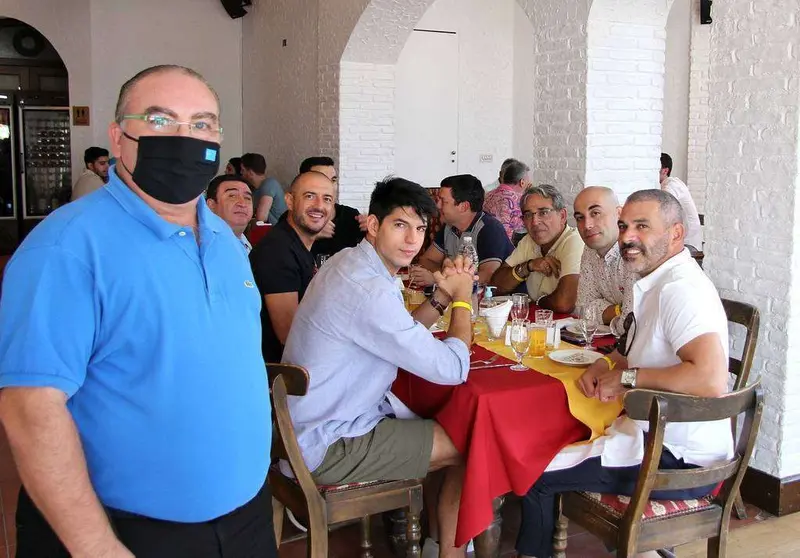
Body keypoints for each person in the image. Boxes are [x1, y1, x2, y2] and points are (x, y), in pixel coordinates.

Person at [0, 65, 276, 558]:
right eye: (160, 119)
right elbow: (30, 409)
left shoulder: (224, 240)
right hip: (124, 531)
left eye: (201, 124)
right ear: (118, 138)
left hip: (245, 518)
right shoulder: (66, 247)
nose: (184, 138)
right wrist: (96, 546)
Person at [515, 189, 732, 558]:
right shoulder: (654, 279)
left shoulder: (681, 289)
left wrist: (629, 379)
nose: (628, 236)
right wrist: (607, 363)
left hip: (677, 456)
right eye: (625, 225)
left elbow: (709, 379)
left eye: (643, 226)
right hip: (650, 434)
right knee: (546, 442)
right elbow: (631, 346)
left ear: (676, 233)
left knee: (531, 471)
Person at [282, 177, 476, 558]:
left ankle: (435, 539)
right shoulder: (368, 288)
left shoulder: (349, 262)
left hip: (304, 423)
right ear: (374, 225)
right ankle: (448, 551)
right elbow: (455, 368)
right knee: (472, 441)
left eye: (420, 228)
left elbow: (400, 334)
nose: (412, 240)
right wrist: (463, 299)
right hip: (328, 441)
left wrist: (441, 295)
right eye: (400, 225)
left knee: (446, 423)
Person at [250, 171, 335, 363]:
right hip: (279, 376)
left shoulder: (295, 243)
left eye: (327, 199)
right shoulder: (277, 252)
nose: (319, 206)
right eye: (309, 196)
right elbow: (289, 335)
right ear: (289, 201)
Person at [491, 184, 584, 313]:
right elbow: (496, 286)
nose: (534, 222)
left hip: (576, 328)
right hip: (541, 323)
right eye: (528, 215)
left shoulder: (574, 241)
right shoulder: (529, 241)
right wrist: (528, 266)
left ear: (562, 216)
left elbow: (564, 303)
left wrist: (538, 302)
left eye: (543, 213)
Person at [412, 174, 513, 287]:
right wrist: (442, 275)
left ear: (463, 207)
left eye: (443, 201)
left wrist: (439, 279)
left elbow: (488, 276)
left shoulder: (489, 228)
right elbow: (426, 260)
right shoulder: (449, 226)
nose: (438, 205)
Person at [573, 186, 636, 336]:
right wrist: (618, 310)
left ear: (619, 214)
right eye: (580, 218)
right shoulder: (590, 249)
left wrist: (616, 314)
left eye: (595, 213)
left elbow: (630, 324)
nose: (587, 225)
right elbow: (583, 308)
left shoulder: (635, 252)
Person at [299, 156, 366, 258]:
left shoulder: (350, 216)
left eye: (333, 180)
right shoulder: (295, 217)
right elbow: (280, 253)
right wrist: (311, 235)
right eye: (323, 179)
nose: (330, 186)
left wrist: (374, 230)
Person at [659, 153, 703, 252]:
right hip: (682, 241)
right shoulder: (669, 184)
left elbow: (663, 207)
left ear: (665, 170)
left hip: (688, 244)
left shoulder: (672, 185)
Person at [483, 159, 529, 241]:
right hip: (505, 247)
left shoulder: (488, 195)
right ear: (522, 182)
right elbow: (524, 227)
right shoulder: (517, 200)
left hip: (484, 241)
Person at [206, 174, 254, 253]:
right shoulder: (205, 246)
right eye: (232, 196)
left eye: (247, 198)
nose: (242, 204)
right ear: (211, 205)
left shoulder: (242, 239)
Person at [241, 152, 287, 224]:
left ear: (250, 173)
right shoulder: (254, 190)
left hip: (281, 232)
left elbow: (261, 218)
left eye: (243, 170)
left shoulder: (269, 184)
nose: (241, 173)